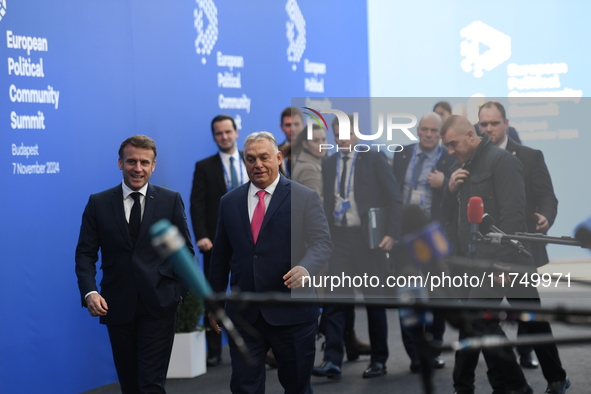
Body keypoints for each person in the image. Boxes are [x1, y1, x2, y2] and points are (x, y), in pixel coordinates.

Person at [441, 116, 569, 394]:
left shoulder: (502, 161)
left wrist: (503, 263)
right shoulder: (461, 167)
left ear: (469, 135)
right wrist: (450, 191)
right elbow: (450, 216)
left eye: (453, 144)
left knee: (503, 321)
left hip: (506, 261)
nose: (450, 151)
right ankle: (476, 385)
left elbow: (513, 216)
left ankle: (520, 384)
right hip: (476, 263)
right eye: (447, 146)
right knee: (482, 322)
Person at [208, 131, 332, 394]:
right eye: (250, 159)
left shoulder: (305, 196)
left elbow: (322, 243)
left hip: (293, 311)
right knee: (244, 387)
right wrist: (215, 303)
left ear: (278, 158)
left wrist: (306, 268)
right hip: (245, 313)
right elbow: (220, 257)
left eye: (264, 157)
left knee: (297, 386)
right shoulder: (229, 202)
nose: (258, 164)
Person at [75, 135, 194, 394]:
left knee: (151, 384)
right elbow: (85, 254)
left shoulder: (169, 200)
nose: (137, 168)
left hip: (160, 305)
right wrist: (90, 292)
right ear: (120, 163)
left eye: (144, 162)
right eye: (131, 161)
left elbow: (184, 251)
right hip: (117, 306)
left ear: (153, 166)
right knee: (130, 385)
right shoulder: (99, 202)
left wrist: (177, 294)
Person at [477, 101, 568, 391]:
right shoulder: (476, 160)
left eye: (494, 123)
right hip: (487, 256)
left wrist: (546, 217)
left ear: (506, 123)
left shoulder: (529, 156)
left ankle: (556, 378)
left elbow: (548, 197)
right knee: (479, 319)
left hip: (519, 254)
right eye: (484, 124)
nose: (489, 129)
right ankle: (505, 383)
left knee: (533, 321)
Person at [313, 114, 403, 380]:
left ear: (358, 134)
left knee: (374, 302)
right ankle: (332, 361)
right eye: (338, 133)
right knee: (335, 301)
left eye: (347, 133)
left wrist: (391, 234)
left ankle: (379, 360)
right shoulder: (328, 164)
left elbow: (395, 198)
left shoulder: (374, 159)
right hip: (339, 239)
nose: (342, 138)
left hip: (369, 241)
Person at [392, 112, 454, 373]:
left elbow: (456, 197)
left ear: (440, 135)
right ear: (417, 130)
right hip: (404, 238)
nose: (428, 135)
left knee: (437, 294)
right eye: (424, 129)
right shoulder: (401, 154)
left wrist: (444, 184)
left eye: (434, 131)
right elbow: (392, 193)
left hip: (433, 236)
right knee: (407, 294)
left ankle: (434, 348)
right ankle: (415, 353)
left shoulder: (449, 158)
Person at [189, 114, 247, 367]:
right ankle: (214, 350)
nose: (224, 137)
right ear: (214, 137)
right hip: (216, 241)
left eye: (227, 132)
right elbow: (197, 204)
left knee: (250, 290)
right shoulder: (204, 166)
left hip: (250, 242)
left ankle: (256, 344)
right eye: (218, 133)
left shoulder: (252, 160)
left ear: (236, 132)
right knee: (213, 294)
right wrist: (201, 235)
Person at [291, 124, 326, 201]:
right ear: (305, 144)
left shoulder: (305, 162)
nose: (322, 144)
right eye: (316, 141)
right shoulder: (309, 168)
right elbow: (315, 203)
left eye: (323, 139)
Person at [278, 106, 304, 177]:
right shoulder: (275, 151)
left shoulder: (313, 150)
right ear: (281, 127)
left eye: (296, 124)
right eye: (288, 125)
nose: (292, 129)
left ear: (303, 125)